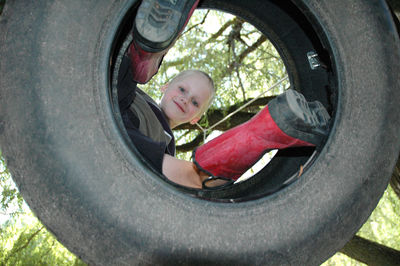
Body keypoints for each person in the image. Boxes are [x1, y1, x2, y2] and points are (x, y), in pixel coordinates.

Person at [119, 0, 331, 189]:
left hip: (133, 149)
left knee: (195, 179)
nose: (185, 98)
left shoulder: (166, 144)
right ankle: (146, 51)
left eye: (195, 102)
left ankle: (265, 131)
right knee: (121, 75)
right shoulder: (137, 94)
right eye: (182, 89)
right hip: (114, 104)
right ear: (164, 87)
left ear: (196, 119)